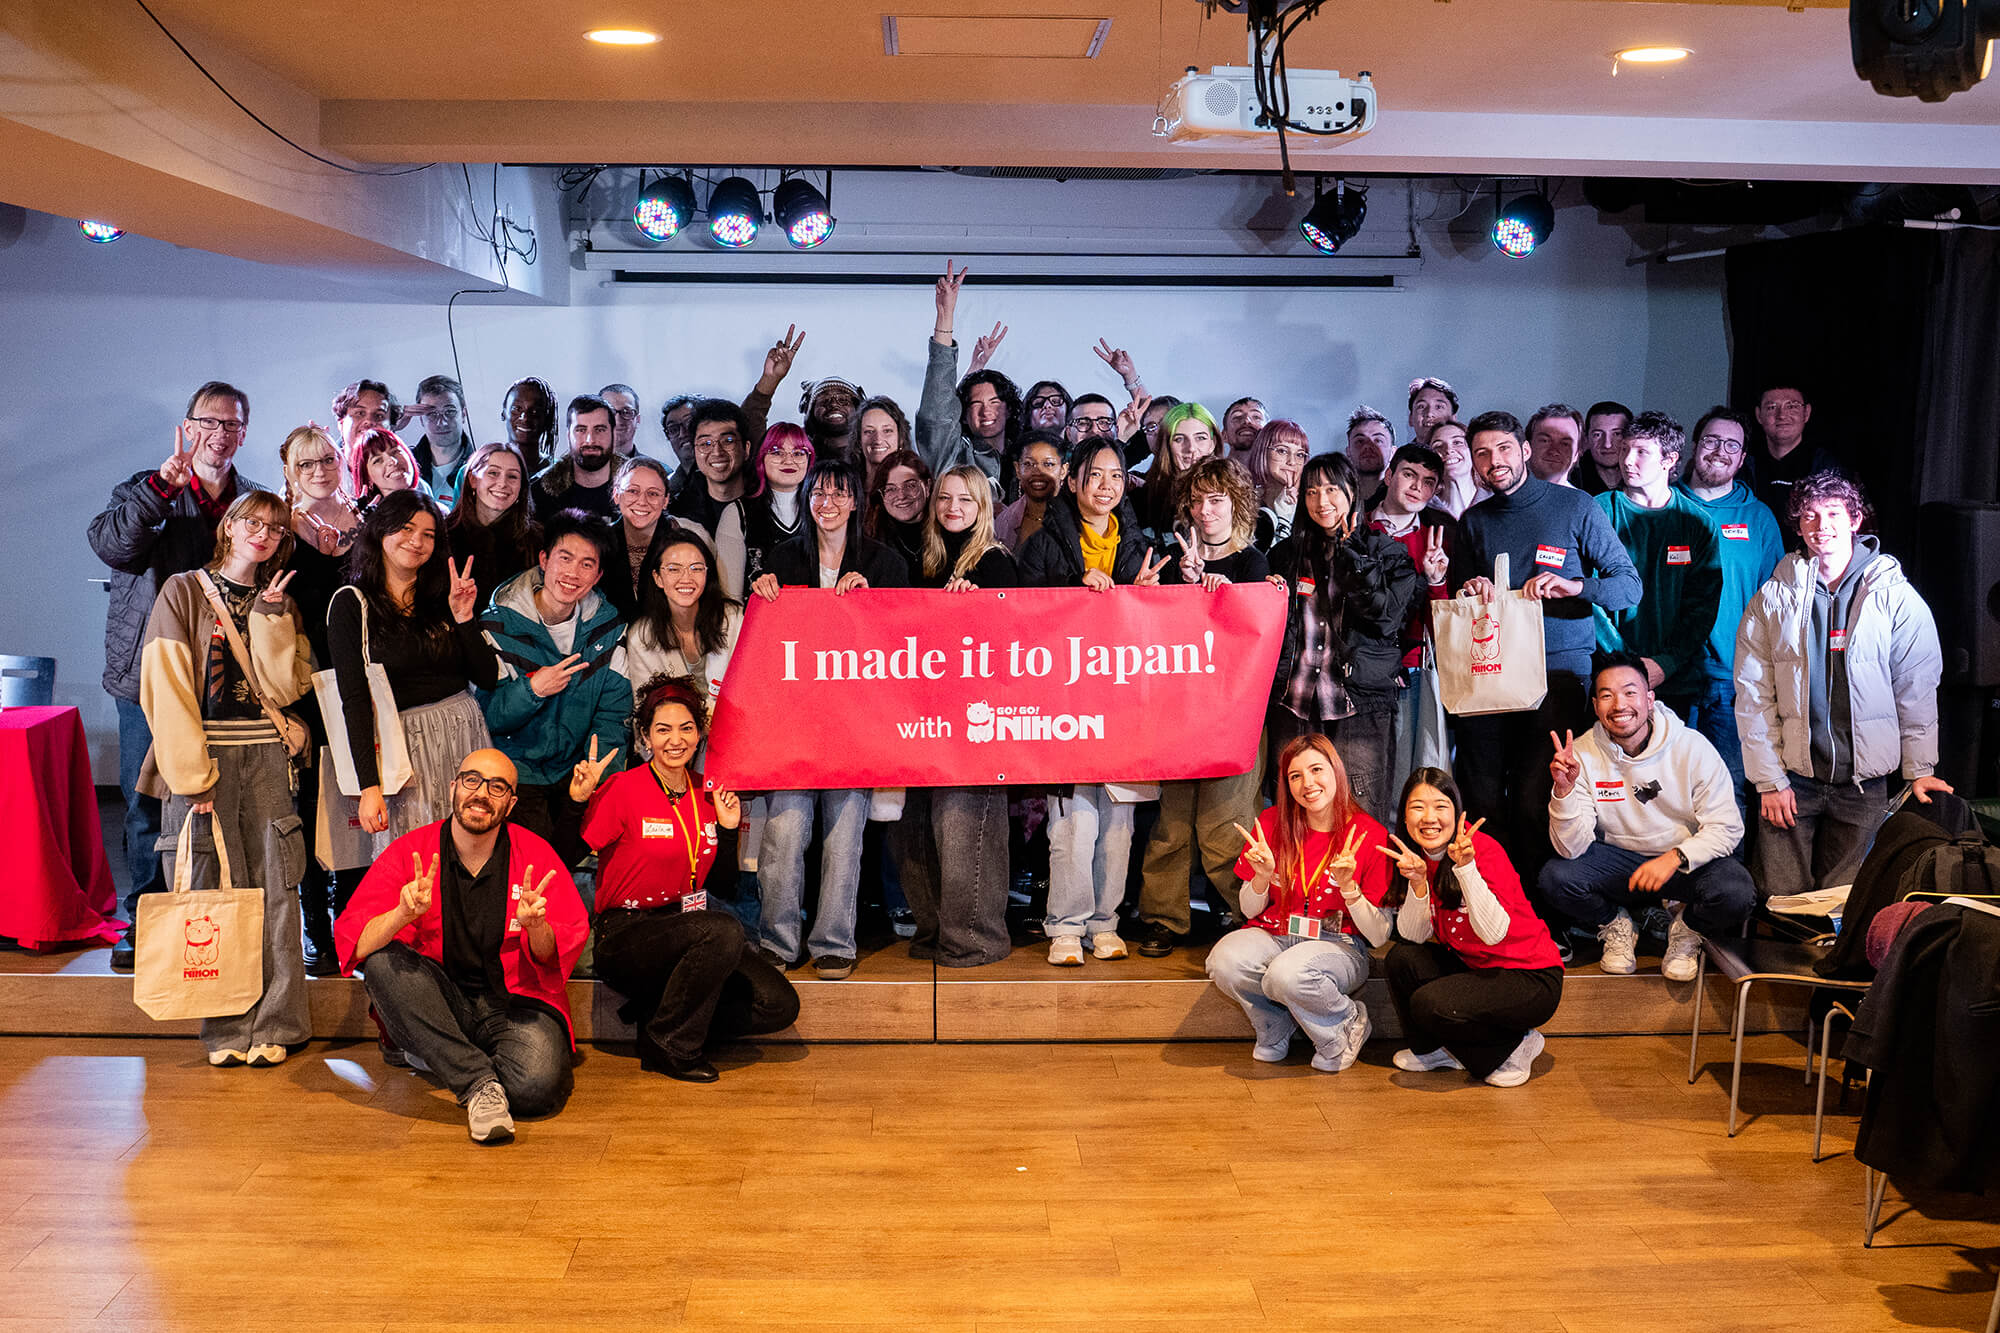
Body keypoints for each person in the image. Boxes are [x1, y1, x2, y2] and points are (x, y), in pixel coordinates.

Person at [89, 380, 264, 970]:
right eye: (208, 422)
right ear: (188, 427)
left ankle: (214, 919)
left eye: (231, 424)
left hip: (223, 676)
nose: (219, 433)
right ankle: (144, 921)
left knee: (224, 799)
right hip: (147, 674)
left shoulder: (253, 503)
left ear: (244, 433)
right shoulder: (146, 488)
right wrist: (162, 488)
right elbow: (112, 546)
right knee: (145, 802)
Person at [138, 489, 314, 1065]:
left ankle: (277, 1024)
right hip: (205, 754)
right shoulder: (183, 590)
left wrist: (270, 620)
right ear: (229, 527)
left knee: (277, 886)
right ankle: (227, 1029)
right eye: (252, 522)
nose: (263, 534)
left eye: (275, 527)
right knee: (211, 889)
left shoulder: (281, 599)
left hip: (265, 753)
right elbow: (165, 687)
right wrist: (191, 775)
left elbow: (286, 688)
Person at [336, 748, 589, 1143]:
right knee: (383, 964)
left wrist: (537, 927)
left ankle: (443, 1055)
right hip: (440, 1003)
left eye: (497, 787)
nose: (481, 793)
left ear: (511, 803)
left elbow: (552, 957)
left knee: (535, 1089)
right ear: (454, 787)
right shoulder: (411, 851)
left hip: (513, 1004)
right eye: (472, 780)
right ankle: (478, 1084)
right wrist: (401, 914)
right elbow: (357, 942)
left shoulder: (535, 855)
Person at [573, 675, 798, 1082]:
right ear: (645, 737)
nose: (675, 740)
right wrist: (576, 800)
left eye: (686, 728)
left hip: (688, 928)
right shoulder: (623, 787)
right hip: (626, 934)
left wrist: (727, 830)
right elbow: (566, 855)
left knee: (778, 1003)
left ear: (699, 736)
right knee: (722, 930)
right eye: (663, 730)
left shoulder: (706, 793)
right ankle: (671, 1044)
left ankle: (658, 1015)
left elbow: (723, 886)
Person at [1735, 471, 1948, 897]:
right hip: (1792, 779)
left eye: (1833, 513)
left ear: (1855, 520)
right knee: (1781, 900)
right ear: (1798, 526)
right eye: (1809, 515)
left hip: (1864, 785)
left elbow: (1917, 689)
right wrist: (1769, 781)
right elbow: (1753, 696)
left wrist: (1920, 770)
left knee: (1846, 904)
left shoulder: (1895, 596)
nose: (1821, 526)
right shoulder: (1771, 598)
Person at [1455, 409, 1642, 878]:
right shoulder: (1473, 521)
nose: (1494, 461)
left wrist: (1575, 586)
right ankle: (1494, 900)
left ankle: (1543, 906)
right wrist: (1469, 588)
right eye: (1482, 453)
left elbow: (1628, 586)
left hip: (1556, 674)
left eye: (1503, 449)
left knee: (1537, 798)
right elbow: (1457, 597)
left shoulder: (1575, 507)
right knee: (1482, 797)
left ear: (1524, 451)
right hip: (1489, 675)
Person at [749, 457, 910, 978]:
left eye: (840, 493)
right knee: (784, 835)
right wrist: (762, 595)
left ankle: (834, 941)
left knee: (843, 840)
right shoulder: (782, 558)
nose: (828, 503)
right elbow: (768, 645)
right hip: (793, 726)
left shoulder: (885, 563)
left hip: (853, 727)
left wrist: (872, 605)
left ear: (856, 501)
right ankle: (777, 941)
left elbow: (903, 646)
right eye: (819, 493)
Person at [1019, 437, 1169, 965]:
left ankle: (1105, 922)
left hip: (1126, 707)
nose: (1106, 485)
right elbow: (1023, 620)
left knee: (1119, 828)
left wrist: (1146, 596)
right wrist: (1072, 588)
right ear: (1073, 480)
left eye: (1116, 475)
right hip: (1065, 705)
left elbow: (1158, 632)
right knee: (1072, 825)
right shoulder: (1043, 544)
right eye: (1095, 474)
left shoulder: (1139, 547)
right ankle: (1065, 925)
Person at [1541, 652, 1753, 979]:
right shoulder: (1580, 753)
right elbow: (1571, 849)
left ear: (1650, 699)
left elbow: (1727, 827)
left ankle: (1687, 929)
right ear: (1595, 706)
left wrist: (1674, 857)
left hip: (1680, 865)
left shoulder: (1691, 747)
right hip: (1621, 864)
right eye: (1607, 696)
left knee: (1736, 890)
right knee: (1556, 878)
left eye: (1630, 692)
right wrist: (1564, 792)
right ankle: (1616, 924)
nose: (1619, 705)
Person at [1135, 458, 1270, 956]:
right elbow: (1152, 634)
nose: (1205, 510)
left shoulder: (1254, 564)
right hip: (1179, 712)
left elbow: (1257, 637)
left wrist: (1226, 596)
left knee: (1227, 822)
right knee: (1171, 825)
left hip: (1236, 714)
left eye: (1216, 500)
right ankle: (1162, 917)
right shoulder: (1172, 561)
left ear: (1237, 505)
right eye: (1196, 501)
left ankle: (1245, 911)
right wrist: (1153, 594)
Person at [891, 465, 1019, 968]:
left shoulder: (994, 562)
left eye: (965, 500)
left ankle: (976, 939)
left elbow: (1010, 644)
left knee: (964, 823)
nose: (953, 508)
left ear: (983, 507)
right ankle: (934, 932)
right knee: (913, 826)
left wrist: (975, 610)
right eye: (944, 498)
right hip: (920, 715)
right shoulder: (924, 560)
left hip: (974, 720)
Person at [330, 488, 498, 858]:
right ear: (381, 530)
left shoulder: (444, 595)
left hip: (464, 734)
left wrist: (464, 618)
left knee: (473, 853)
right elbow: (354, 700)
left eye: (428, 534)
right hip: (402, 749)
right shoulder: (351, 603)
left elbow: (487, 678)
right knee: (414, 860)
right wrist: (368, 787)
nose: (417, 541)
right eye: (406, 529)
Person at [1207, 735, 1390, 1072]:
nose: (1308, 783)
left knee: (1287, 974)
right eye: (1295, 776)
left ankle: (1345, 1025)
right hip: (1274, 932)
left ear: (1336, 771)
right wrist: (1262, 877)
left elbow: (1378, 936)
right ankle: (1276, 1024)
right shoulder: (1270, 822)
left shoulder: (1369, 834)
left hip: (1337, 942)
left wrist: (1349, 889)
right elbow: (1249, 910)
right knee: (1225, 961)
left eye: (1316, 770)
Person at [1381, 768, 1563, 1087]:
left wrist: (1466, 869)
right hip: (1478, 968)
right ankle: (1436, 1050)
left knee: (1430, 1004)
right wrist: (1418, 884)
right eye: (1417, 807)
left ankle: (1513, 1047)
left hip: (1529, 976)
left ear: (1456, 812)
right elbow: (1414, 936)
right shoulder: (1415, 857)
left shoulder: (1482, 849)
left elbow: (1493, 934)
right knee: (1402, 959)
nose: (1429, 817)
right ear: (1405, 817)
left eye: (1440, 806)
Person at [1266, 452, 1418, 823]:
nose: (1322, 501)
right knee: (1295, 815)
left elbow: (1385, 619)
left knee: (1362, 813)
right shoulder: (1284, 555)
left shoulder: (1386, 552)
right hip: (1295, 703)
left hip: (1359, 702)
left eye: (1332, 489)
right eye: (1312, 491)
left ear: (1352, 491)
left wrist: (1353, 555)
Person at [479, 511, 632, 869]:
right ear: (544, 560)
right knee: (530, 867)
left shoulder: (608, 629)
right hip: (517, 770)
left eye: (586, 564)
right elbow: (488, 716)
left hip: (576, 769)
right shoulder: (498, 624)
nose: (573, 573)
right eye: (565, 558)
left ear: (598, 576)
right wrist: (532, 689)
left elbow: (613, 716)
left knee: (579, 860)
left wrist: (598, 779)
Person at [278, 423, 359, 973]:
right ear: (289, 473)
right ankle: (315, 928)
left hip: (362, 684)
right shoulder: (280, 533)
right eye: (306, 464)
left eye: (328, 459)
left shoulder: (366, 524)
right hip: (307, 688)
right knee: (308, 807)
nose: (320, 471)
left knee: (358, 801)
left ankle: (352, 919)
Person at [1677, 407, 1784, 802]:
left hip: (1732, 680)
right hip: (1669, 675)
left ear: (1741, 459)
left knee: (1725, 791)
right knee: (1665, 790)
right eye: (1711, 440)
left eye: (1731, 445)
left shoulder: (1758, 518)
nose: (1719, 451)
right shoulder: (1664, 504)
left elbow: (1775, 603)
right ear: (1694, 446)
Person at [1593, 410, 1723, 722]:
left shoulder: (1697, 523)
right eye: (1625, 449)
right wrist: (1625, 663)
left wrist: (1666, 662)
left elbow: (1702, 607)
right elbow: (1588, 597)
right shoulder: (1597, 511)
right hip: (1611, 675)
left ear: (1669, 460)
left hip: (1675, 679)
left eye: (1641, 452)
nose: (1627, 460)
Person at [1367, 443, 1457, 804]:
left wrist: (1436, 581)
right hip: (1362, 671)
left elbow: (1444, 623)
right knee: (1366, 772)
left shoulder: (1440, 535)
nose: (1418, 486)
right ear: (1389, 475)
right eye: (1409, 474)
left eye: (1428, 481)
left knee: (1414, 773)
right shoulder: (1358, 525)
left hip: (1415, 667)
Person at [917, 262, 1022, 497]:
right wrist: (945, 316)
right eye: (976, 404)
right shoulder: (956, 457)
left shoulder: (1028, 456)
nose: (986, 411)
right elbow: (938, 412)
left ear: (1009, 409)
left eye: (995, 402)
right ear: (964, 413)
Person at [622, 527, 741, 703]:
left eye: (696, 568)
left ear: (707, 574)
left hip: (734, 718)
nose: (686, 578)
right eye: (674, 569)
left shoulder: (733, 619)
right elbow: (646, 709)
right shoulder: (641, 638)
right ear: (658, 578)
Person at [714, 422, 813, 600]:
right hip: (757, 614)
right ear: (761, 458)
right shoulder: (738, 513)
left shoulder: (823, 511)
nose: (788, 460)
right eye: (776, 452)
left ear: (809, 461)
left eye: (798, 453)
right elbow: (731, 600)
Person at [444, 443, 540, 611]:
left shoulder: (536, 540)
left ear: (522, 487)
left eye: (512, 476)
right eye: (493, 473)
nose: (502, 483)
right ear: (473, 479)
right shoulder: (444, 533)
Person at [599, 456, 681, 624]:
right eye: (632, 491)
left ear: (665, 500)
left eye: (653, 493)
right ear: (616, 494)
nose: (642, 501)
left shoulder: (683, 546)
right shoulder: (598, 544)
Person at [1750, 382, 1835, 526]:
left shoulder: (1827, 468)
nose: (1782, 415)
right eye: (1771, 407)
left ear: (1806, 413)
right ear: (1759, 415)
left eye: (1791, 406)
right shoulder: (1743, 465)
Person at [669, 399, 753, 538]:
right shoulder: (678, 515)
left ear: (746, 449)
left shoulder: (771, 506)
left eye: (728, 441)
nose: (717, 452)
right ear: (695, 452)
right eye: (705, 444)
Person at [1139, 401, 1222, 536]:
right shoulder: (1143, 496)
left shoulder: (1233, 494)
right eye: (1179, 439)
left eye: (1200, 438)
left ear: (1213, 443)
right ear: (1167, 445)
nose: (1191, 448)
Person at [530, 395, 619, 521]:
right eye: (581, 430)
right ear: (568, 436)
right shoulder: (538, 492)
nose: (590, 440)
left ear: (613, 434)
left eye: (599, 430)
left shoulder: (638, 487)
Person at [994, 431, 1066, 552]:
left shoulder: (1080, 515)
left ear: (1063, 470)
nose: (1038, 472)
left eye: (1048, 464)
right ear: (1018, 469)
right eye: (1028, 464)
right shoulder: (1004, 521)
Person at [863, 448, 933, 572]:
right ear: (881, 496)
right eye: (891, 489)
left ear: (927, 487)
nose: (901, 496)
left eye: (910, 485)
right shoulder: (868, 539)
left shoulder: (947, 531)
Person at [408, 375, 475, 503]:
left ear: (463, 414)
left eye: (449, 412)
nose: (442, 422)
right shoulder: (404, 467)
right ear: (421, 419)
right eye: (432, 414)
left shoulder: (481, 468)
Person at [1246, 419, 1309, 549]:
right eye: (1282, 451)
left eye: (1300, 454)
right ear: (1263, 452)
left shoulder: (1310, 507)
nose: (1292, 462)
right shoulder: (1243, 503)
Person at [344, 426, 424, 510]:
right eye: (378, 460)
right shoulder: (370, 517)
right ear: (367, 477)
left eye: (395, 452)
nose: (392, 461)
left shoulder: (431, 507)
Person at [1570, 400, 1631, 495]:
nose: (1607, 444)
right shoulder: (1570, 483)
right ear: (1586, 439)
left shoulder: (1646, 481)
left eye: (1617, 434)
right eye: (1597, 435)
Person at [500, 377, 559, 473]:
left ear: (547, 419)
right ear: (504, 413)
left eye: (535, 411)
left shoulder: (560, 473)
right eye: (517, 409)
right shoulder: (481, 469)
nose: (525, 418)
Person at [1428, 418, 1480, 519]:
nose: (1448, 450)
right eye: (1438, 446)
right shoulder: (1421, 511)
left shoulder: (1498, 502)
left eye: (1457, 442)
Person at [799, 374, 862, 455]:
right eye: (824, 401)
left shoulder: (872, 449)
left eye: (843, 400)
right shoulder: (796, 449)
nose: (834, 404)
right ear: (811, 411)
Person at [333, 379, 399, 456]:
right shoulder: (323, 462)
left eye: (379, 416)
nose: (369, 421)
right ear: (341, 423)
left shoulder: (404, 462)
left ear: (391, 428)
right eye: (360, 413)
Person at [1527, 403, 1585, 485]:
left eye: (1565, 444)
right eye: (1545, 441)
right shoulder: (1508, 492)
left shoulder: (1580, 494)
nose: (1554, 451)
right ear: (1527, 447)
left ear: (1577, 453)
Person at [1343, 407, 1394, 496]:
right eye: (1360, 441)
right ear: (1348, 452)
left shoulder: (1403, 498)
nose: (1367, 446)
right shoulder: (1337, 497)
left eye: (1378, 440)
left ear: (1393, 452)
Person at [856, 394, 914, 472]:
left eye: (887, 431)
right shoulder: (845, 478)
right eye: (869, 431)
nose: (878, 440)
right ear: (859, 439)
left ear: (901, 438)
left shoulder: (918, 478)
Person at [598, 382, 643, 459]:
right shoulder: (576, 465)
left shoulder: (655, 467)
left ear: (638, 419)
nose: (617, 420)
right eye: (610, 412)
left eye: (627, 412)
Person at [1407, 377, 1457, 445]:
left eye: (1438, 407)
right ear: (1410, 418)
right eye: (1421, 406)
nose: (1429, 413)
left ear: (1453, 418)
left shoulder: (1467, 450)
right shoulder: (1402, 452)